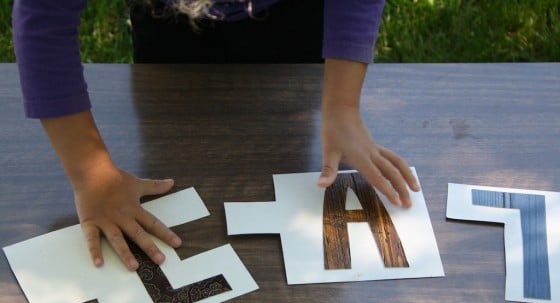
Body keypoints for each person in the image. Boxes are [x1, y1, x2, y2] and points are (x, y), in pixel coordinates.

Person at [12, 0, 420, 271]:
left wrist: (343, 107)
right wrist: (92, 175)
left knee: (285, 183)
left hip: (292, 18)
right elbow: (43, 21)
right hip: (169, 26)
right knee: (185, 189)